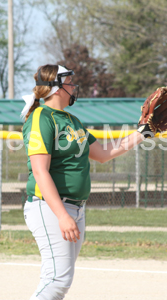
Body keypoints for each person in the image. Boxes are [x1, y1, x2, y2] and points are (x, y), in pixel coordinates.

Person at [21, 64, 151, 300]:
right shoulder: (42, 117)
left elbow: (103, 153)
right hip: (50, 207)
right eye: (69, 82)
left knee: (60, 280)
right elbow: (40, 172)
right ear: (56, 88)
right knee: (57, 281)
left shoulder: (72, 120)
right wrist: (62, 215)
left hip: (75, 208)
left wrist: (143, 133)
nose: (73, 86)